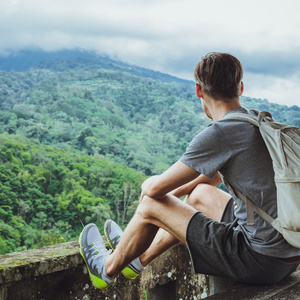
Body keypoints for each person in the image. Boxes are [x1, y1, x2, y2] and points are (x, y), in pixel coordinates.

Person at [79, 52, 300, 289]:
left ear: (199, 90)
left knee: (150, 205)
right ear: (240, 87)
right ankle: (136, 259)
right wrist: (175, 200)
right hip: (288, 251)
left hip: (260, 260)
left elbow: (153, 190)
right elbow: (214, 176)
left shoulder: (221, 132)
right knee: (199, 195)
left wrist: (154, 196)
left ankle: (106, 270)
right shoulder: (255, 121)